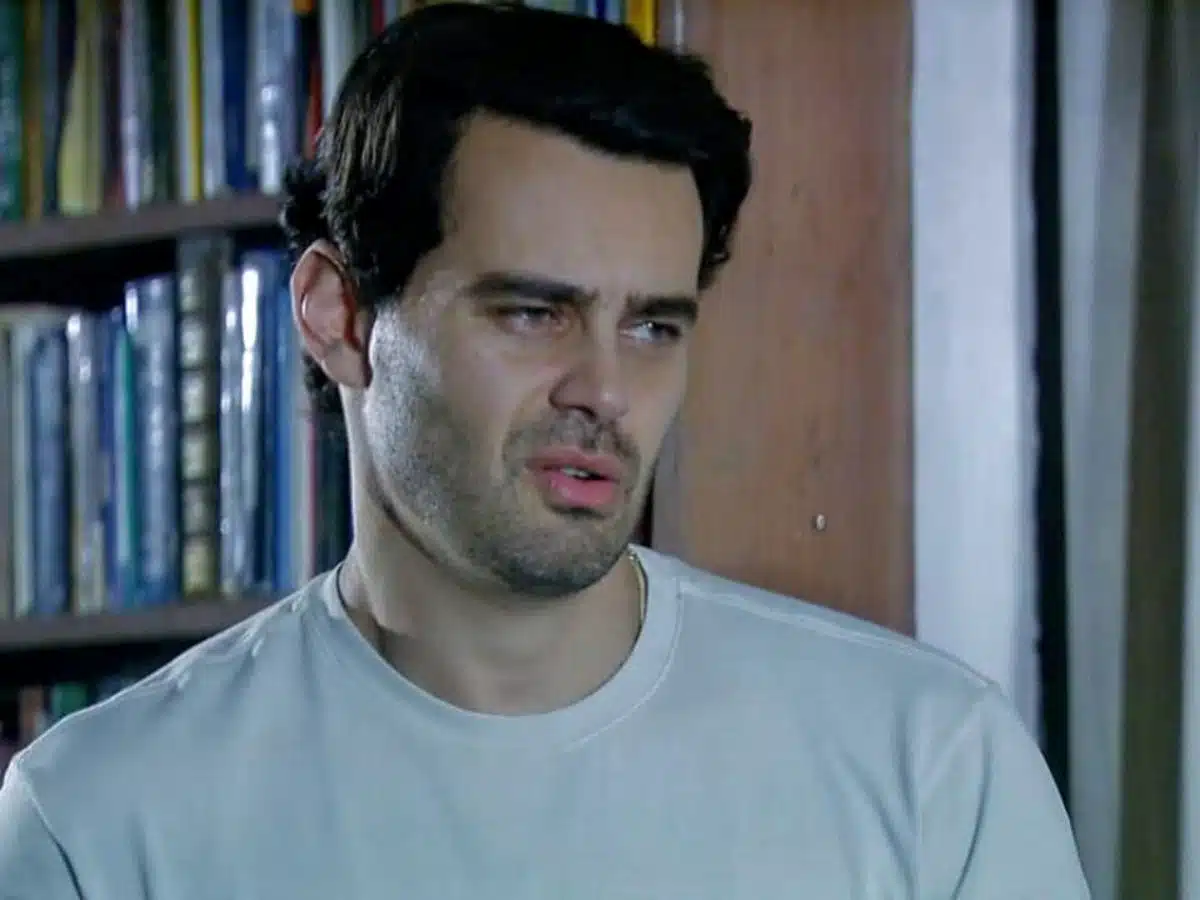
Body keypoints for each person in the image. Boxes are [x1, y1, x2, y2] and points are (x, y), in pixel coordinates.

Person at [0, 3, 1090, 897]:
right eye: (532, 313)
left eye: (652, 327)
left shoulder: (930, 768)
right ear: (340, 317)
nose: (606, 392)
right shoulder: (100, 821)